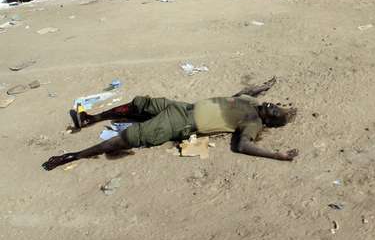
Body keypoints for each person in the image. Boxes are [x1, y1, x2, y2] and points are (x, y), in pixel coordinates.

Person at [42, 78, 298, 171]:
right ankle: (91, 118)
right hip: (181, 106)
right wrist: (264, 86)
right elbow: (245, 90)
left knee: (134, 135)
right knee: (140, 103)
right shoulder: (251, 101)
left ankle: (73, 155)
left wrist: (277, 155)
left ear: (269, 121)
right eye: (275, 104)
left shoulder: (253, 123)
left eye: (275, 112)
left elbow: (243, 146)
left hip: (183, 122)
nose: (271, 106)